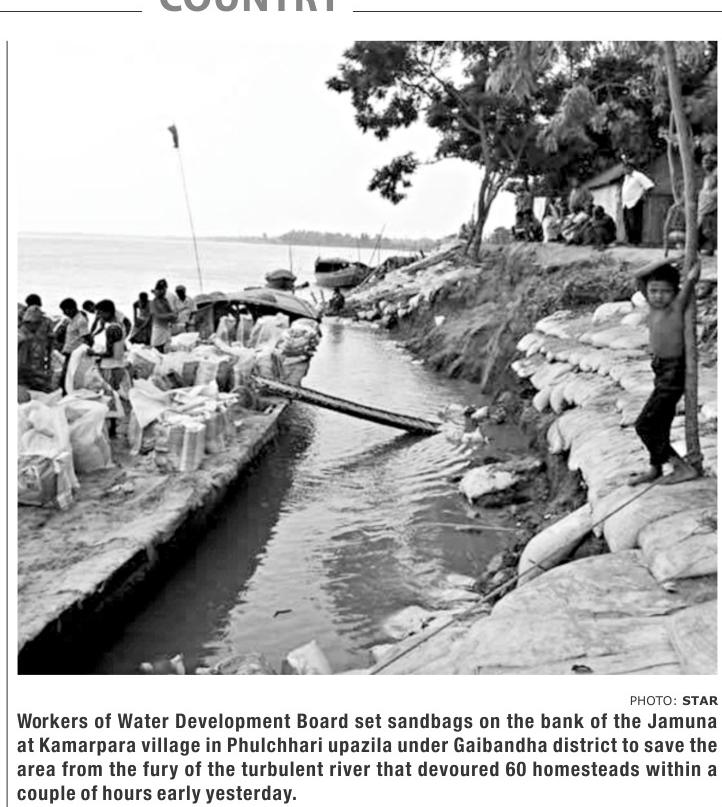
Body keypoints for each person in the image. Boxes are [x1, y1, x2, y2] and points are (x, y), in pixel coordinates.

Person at [628, 259, 700, 486]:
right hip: (660, 370)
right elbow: (638, 275)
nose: (658, 296)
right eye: (654, 291)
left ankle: (682, 467)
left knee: (645, 425)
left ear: (675, 292)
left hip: (673, 372)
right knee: (661, 424)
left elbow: (691, 279)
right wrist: (666, 260)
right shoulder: (652, 306)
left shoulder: (676, 306)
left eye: (665, 291)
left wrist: (690, 274)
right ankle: (655, 468)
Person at [18, 305, 54, 392]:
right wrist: (41, 377)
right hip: (22, 381)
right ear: (31, 323)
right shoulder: (23, 339)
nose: (40, 326)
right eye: (39, 323)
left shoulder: (25, 335)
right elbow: (22, 366)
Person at [621, 161, 654, 245]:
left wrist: (643, 195)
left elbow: (650, 185)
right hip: (626, 203)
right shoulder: (626, 177)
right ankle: (630, 240)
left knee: (635, 222)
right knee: (627, 222)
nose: (624, 170)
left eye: (625, 168)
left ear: (630, 167)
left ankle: (636, 241)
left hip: (635, 202)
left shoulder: (638, 175)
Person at [697, 154, 717, 256]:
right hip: (704, 207)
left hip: (710, 207)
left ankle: (712, 248)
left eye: (706, 162)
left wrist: (710, 194)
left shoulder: (716, 174)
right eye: (703, 162)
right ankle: (701, 249)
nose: (704, 164)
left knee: (707, 230)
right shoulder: (708, 176)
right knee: (701, 230)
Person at [149, 282, 177, 353]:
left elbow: (171, 312)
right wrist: (170, 315)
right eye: (162, 290)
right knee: (157, 349)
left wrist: (172, 317)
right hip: (158, 329)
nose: (164, 292)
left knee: (167, 349)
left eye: (164, 290)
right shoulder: (153, 302)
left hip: (166, 329)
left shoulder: (165, 301)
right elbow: (157, 316)